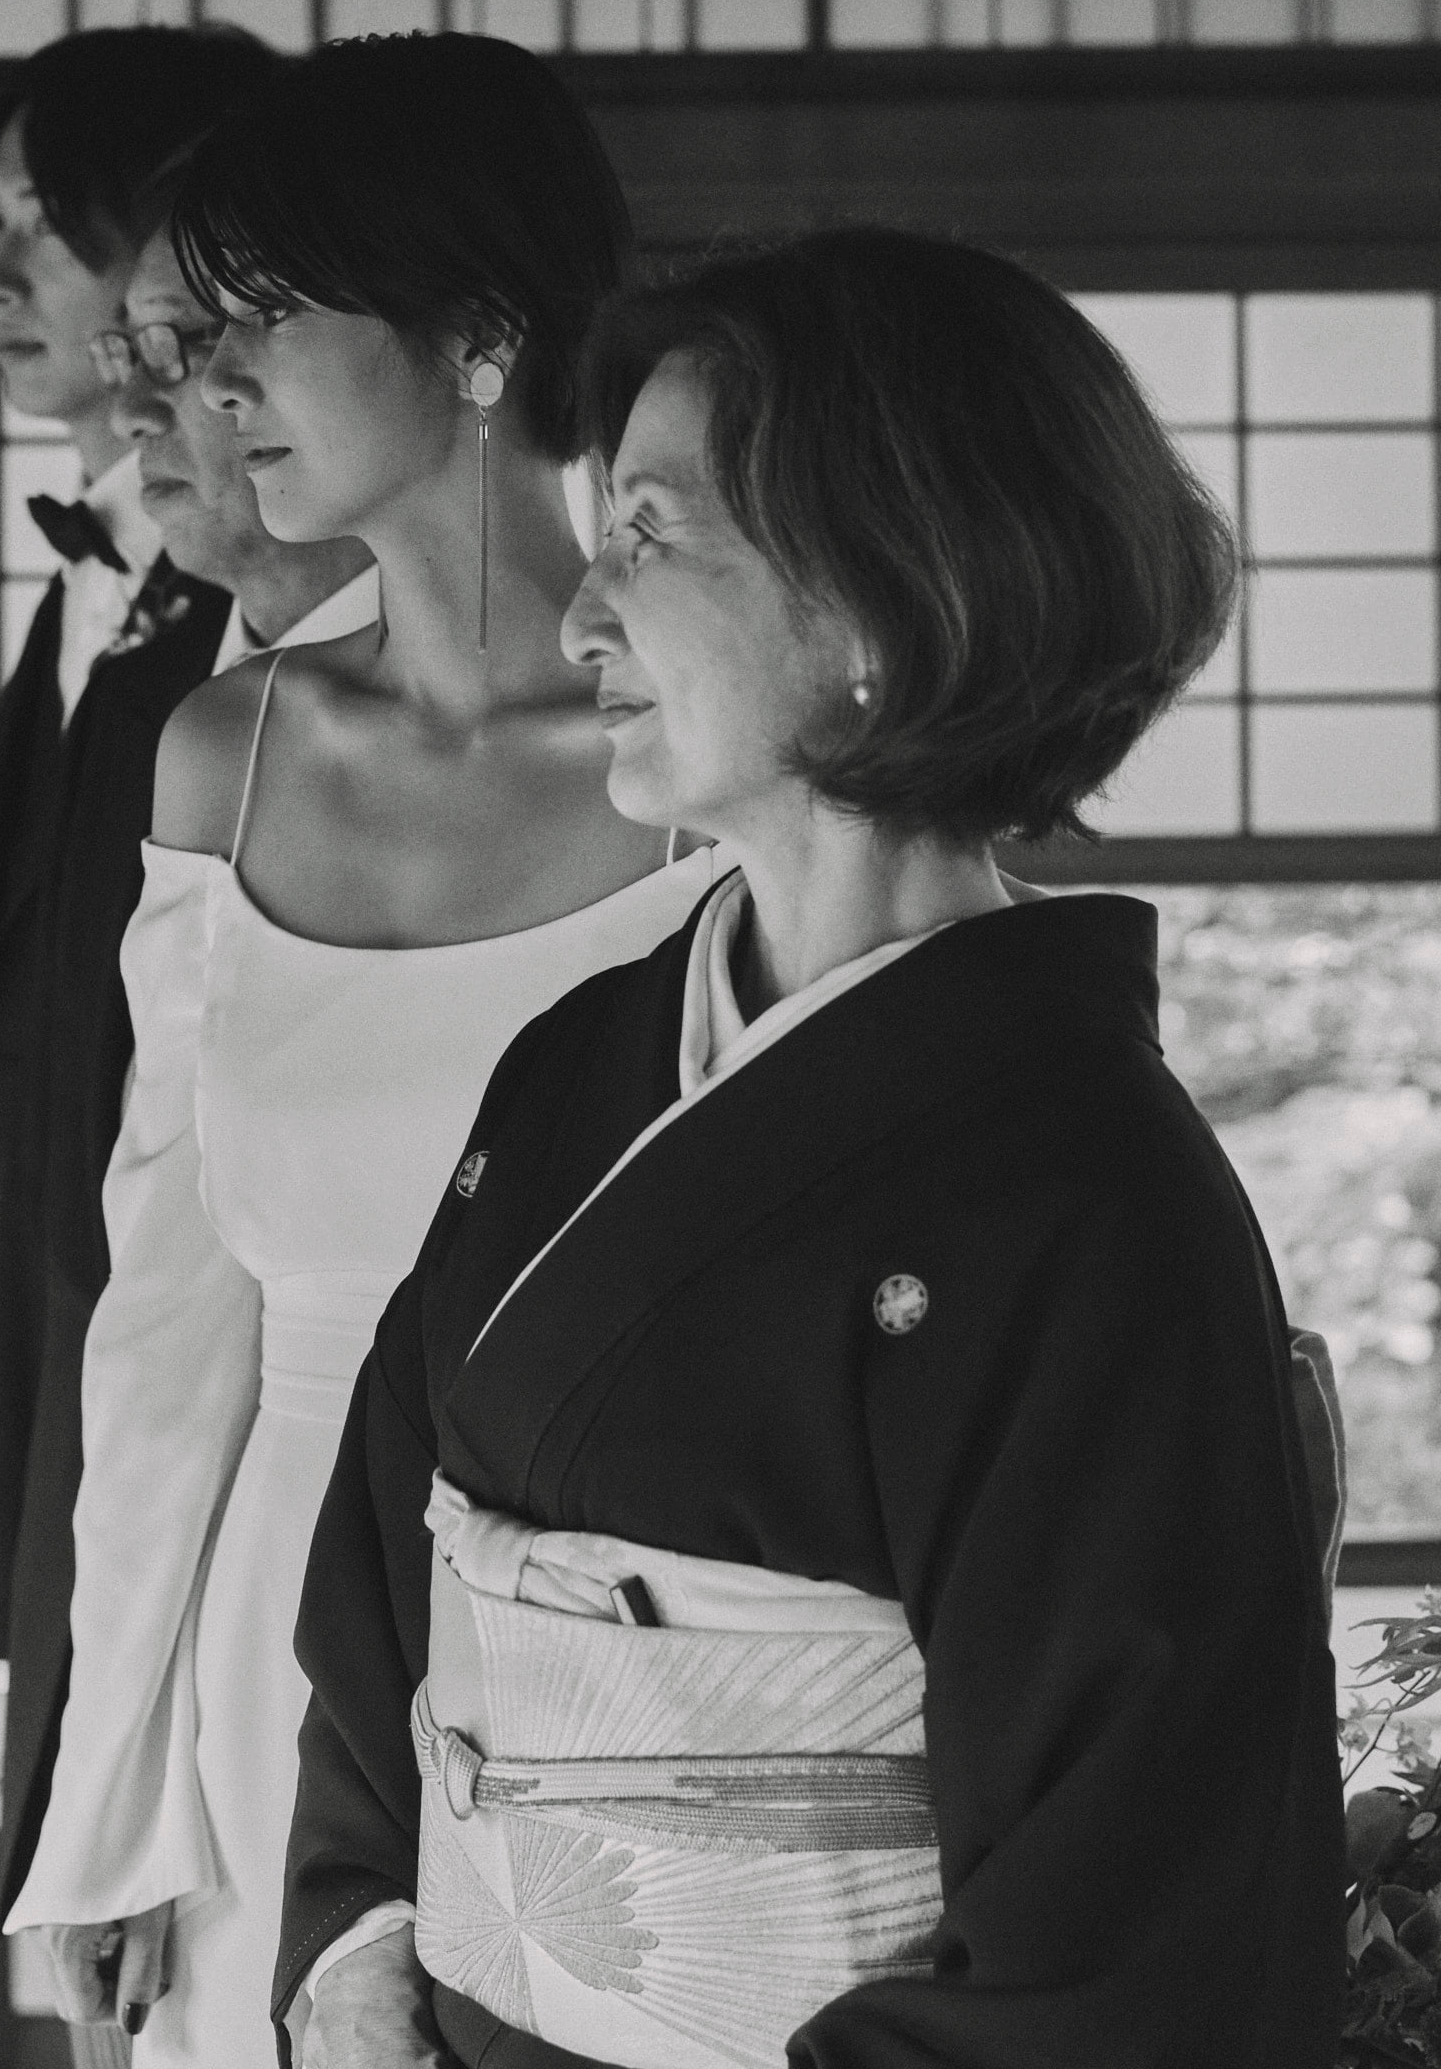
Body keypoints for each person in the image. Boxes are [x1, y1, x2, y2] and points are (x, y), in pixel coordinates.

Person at [278, 228, 1346, 2069]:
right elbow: (385, 1568)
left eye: (652, 539)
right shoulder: (576, 1064)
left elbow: (1134, 1915)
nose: (577, 614)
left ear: (878, 610)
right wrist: (357, 1934)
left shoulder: (1090, 1200)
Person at [5, 37, 726, 2066]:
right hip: (264, 1651)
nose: (205, 389)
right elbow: (160, 1322)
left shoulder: (714, 776)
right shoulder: (222, 757)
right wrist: (107, 1798)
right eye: (193, 332)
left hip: (616, 1657)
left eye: (261, 323)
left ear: (482, 338)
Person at [0, 211, 379, 2062]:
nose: (168, 404)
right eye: (150, 350)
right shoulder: (200, 727)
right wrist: (91, 1761)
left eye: (216, 345)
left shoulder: (658, 760)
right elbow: (134, 1256)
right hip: (238, 1582)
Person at [0, 26, 270, 1727]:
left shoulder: (252, 635)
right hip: (31, 1409)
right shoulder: (98, 585)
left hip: (158, 1441)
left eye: (48, 220)